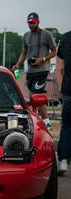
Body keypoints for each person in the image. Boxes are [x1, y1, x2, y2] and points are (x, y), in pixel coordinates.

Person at [12, 12, 56, 130]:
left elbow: (54, 51)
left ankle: (47, 123)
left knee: (37, 97)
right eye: (29, 23)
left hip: (42, 69)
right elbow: (24, 52)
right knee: (32, 97)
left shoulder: (47, 34)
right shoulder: (26, 35)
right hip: (30, 71)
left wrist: (42, 59)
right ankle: (37, 121)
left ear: (38, 21)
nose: (31, 25)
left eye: (33, 22)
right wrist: (17, 64)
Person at [56, 30, 71, 175]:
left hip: (68, 91)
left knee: (67, 126)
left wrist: (61, 89)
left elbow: (59, 68)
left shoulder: (66, 38)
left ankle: (63, 161)